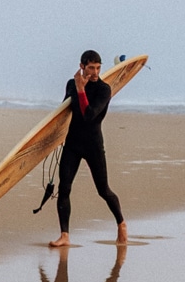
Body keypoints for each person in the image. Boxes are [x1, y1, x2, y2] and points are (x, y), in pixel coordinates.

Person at [50, 50, 127, 249]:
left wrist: (81, 89)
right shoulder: (71, 84)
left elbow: (89, 115)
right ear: (82, 66)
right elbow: (65, 110)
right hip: (73, 143)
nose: (95, 72)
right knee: (64, 188)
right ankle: (64, 235)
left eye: (98, 68)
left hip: (93, 145)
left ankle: (121, 224)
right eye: (91, 67)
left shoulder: (104, 89)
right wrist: (55, 136)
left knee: (103, 190)